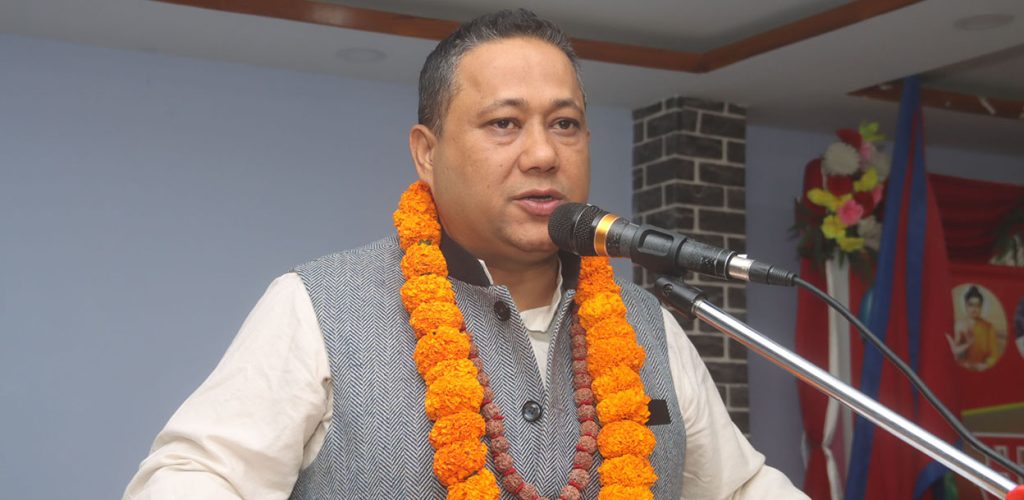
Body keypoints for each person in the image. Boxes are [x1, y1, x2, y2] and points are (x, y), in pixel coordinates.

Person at [125, 9, 807, 499]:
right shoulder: (320, 308)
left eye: (565, 124)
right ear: (427, 153)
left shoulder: (649, 325)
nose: (542, 154)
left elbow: (741, 488)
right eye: (504, 123)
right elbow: (193, 478)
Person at [948, 285, 1003, 371]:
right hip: (960, 369)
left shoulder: (988, 327)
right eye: (971, 305)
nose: (974, 309)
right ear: (966, 306)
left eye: (977, 305)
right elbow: (953, 353)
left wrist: (984, 365)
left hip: (982, 369)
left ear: (981, 307)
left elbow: (994, 355)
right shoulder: (959, 325)